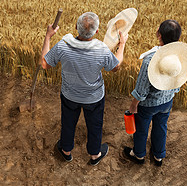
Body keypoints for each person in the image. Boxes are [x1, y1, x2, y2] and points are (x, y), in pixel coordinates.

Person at [41, 12, 128, 165]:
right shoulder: (101, 49)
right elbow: (116, 67)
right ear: (97, 32)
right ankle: (95, 154)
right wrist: (121, 45)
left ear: (76, 27)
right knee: (95, 124)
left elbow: (45, 64)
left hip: (69, 95)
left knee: (68, 122)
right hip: (93, 98)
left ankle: (66, 150)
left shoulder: (63, 45)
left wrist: (48, 37)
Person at [123, 19, 182, 166]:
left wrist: (133, 105)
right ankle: (158, 156)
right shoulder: (179, 57)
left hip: (148, 105)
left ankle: (139, 155)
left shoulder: (150, 60)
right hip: (167, 102)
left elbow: (142, 89)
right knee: (161, 126)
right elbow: (178, 81)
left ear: (159, 35)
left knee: (141, 129)